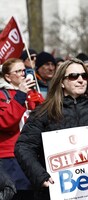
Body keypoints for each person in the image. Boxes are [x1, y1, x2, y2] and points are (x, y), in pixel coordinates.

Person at [14, 58, 88, 200]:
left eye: (84, 76)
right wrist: (40, 176)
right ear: (61, 82)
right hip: (57, 191)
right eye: (74, 76)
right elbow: (24, 146)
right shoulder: (44, 111)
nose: (81, 80)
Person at [0, 58, 44, 200]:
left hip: (32, 154)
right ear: (8, 77)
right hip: (10, 157)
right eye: (18, 71)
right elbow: (5, 121)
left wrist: (39, 102)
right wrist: (20, 95)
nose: (23, 74)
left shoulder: (31, 94)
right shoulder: (2, 94)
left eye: (24, 71)